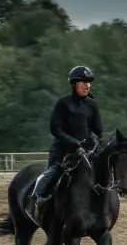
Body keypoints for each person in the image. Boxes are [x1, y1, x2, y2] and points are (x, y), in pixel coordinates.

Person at [27, 65, 103, 225]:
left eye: (88, 82)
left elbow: (98, 130)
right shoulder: (63, 103)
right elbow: (55, 128)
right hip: (64, 152)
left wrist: (94, 143)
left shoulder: (92, 105)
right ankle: (37, 199)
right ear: (74, 84)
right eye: (83, 81)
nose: (87, 85)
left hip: (86, 153)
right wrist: (73, 143)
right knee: (54, 172)